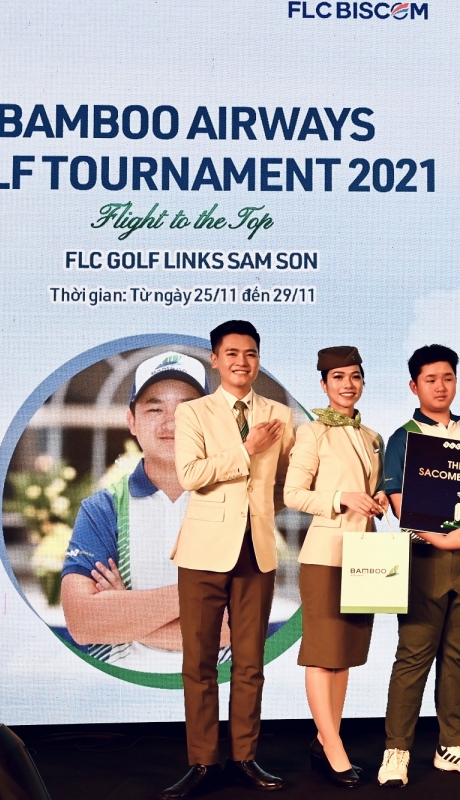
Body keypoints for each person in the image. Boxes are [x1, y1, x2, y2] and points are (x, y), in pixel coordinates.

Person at [161, 321, 295, 799]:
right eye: (232, 353)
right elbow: (190, 475)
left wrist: (256, 512)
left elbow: (283, 482)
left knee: (250, 662)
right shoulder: (193, 412)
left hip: (256, 549)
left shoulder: (280, 415)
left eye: (251, 353)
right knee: (199, 663)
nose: (242, 361)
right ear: (215, 360)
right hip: (202, 552)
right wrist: (245, 450)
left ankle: (244, 757)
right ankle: (202, 762)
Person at [61, 351, 221, 673]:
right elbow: (83, 623)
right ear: (132, 421)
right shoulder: (102, 509)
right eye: (155, 409)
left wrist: (123, 613)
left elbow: (240, 624)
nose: (171, 424)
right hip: (122, 687)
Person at [377, 345, 460, 787]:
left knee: (458, 655)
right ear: (414, 386)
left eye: (448, 377)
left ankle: (453, 745)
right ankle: (397, 750)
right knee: (413, 656)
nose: (440, 386)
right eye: (430, 379)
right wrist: (439, 537)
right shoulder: (403, 437)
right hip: (425, 556)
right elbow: (398, 501)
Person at [284, 346, 388, 789]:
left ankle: (325, 739)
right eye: (339, 377)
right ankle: (333, 748)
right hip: (326, 556)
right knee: (322, 654)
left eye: (355, 376)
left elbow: (374, 489)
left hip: (366, 555)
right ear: (323, 384)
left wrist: (378, 499)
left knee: (344, 655)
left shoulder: (372, 436)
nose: (348, 384)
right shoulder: (312, 433)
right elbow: (292, 494)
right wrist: (341, 498)